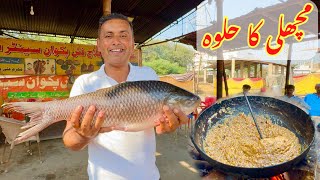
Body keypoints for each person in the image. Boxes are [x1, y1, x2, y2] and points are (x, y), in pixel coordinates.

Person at [62, 13, 188, 180]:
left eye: (123, 35)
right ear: (99, 45)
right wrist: (83, 134)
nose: (116, 41)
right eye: (109, 36)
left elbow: (158, 125)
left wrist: (166, 126)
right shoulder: (85, 83)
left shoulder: (148, 75)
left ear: (132, 44)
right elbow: (70, 141)